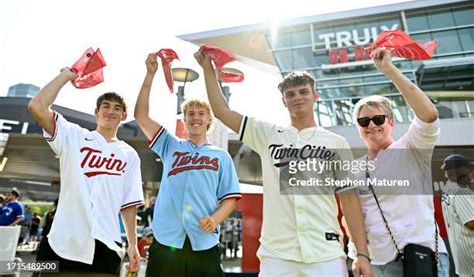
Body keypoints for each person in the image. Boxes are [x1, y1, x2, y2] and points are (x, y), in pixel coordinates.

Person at [195, 47, 372, 277]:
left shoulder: (336, 143)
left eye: (303, 92)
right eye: (291, 94)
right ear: (284, 101)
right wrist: (208, 70)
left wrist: (361, 254)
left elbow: (349, 200)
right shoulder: (268, 134)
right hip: (277, 255)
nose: (297, 97)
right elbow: (221, 110)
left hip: (325, 253)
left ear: (314, 96)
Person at [28, 67, 144, 275]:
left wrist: (133, 244)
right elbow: (36, 106)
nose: (110, 111)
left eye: (117, 108)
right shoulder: (73, 136)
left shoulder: (129, 154)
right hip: (61, 242)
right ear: (96, 112)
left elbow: (129, 204)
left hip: (106, 245)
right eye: (105, 106)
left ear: (123, 115)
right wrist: (66, 76)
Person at [134, 53, 241, 277]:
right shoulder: (170, 146)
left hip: (203, 242)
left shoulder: (221, 156)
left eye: (201, 114)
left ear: (209, 120)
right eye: (190, 113)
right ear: (184, 119)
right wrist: (150, 74)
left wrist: (215, 219)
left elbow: (230, 199)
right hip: (166, 241)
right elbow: (141, 116)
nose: (195, 117)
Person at [347, 48, 449, 276]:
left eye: (378, 118)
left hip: (421, 254)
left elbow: (429, 114)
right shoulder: (354, 169)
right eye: (364, 120)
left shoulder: (412, 147)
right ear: (358, 128)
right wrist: (357, 255)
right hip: (377, 262)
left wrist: (388, 69)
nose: (371, 125)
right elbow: (351, 217)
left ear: (391, 122)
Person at [440, 154, 473, 277]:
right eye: (467, 169)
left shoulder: (448, 188)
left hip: (460, 251)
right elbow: (471, 222)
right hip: (470, 249)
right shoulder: (461, 190)